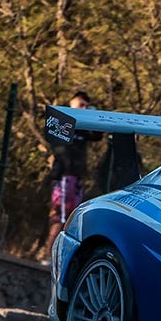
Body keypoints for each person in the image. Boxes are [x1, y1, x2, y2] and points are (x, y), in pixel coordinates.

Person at [46, 91, 101, 254]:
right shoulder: (61, 120)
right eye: (81, 104)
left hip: (77, 177)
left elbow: (97, 136)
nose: (83, 108)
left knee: (70, 220)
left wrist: (93, 116)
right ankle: (49, 255)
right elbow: (57, 145)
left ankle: (58, 255)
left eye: (86, 106)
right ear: (72, 102)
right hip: (63, 177)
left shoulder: (83, 127)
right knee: (59, 218)